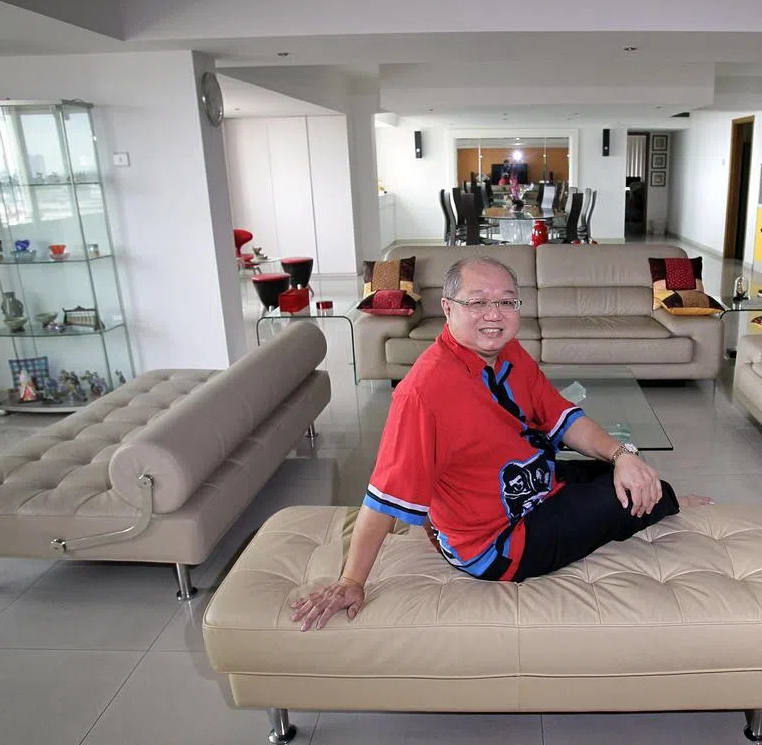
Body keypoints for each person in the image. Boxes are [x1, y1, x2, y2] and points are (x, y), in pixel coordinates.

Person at [291, 257, 712, 631]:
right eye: (477, 302)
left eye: (506, 302)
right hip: (500, 542)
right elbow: (382, 497)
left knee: (618, 471)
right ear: (448, 308)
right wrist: (351, 580)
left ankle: (654, 494)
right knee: (627, 496)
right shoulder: (422, 393)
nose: (494, 314)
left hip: (531, 484)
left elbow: (563, 419)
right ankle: (665, 501)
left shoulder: (509, 353)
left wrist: (622, 455)